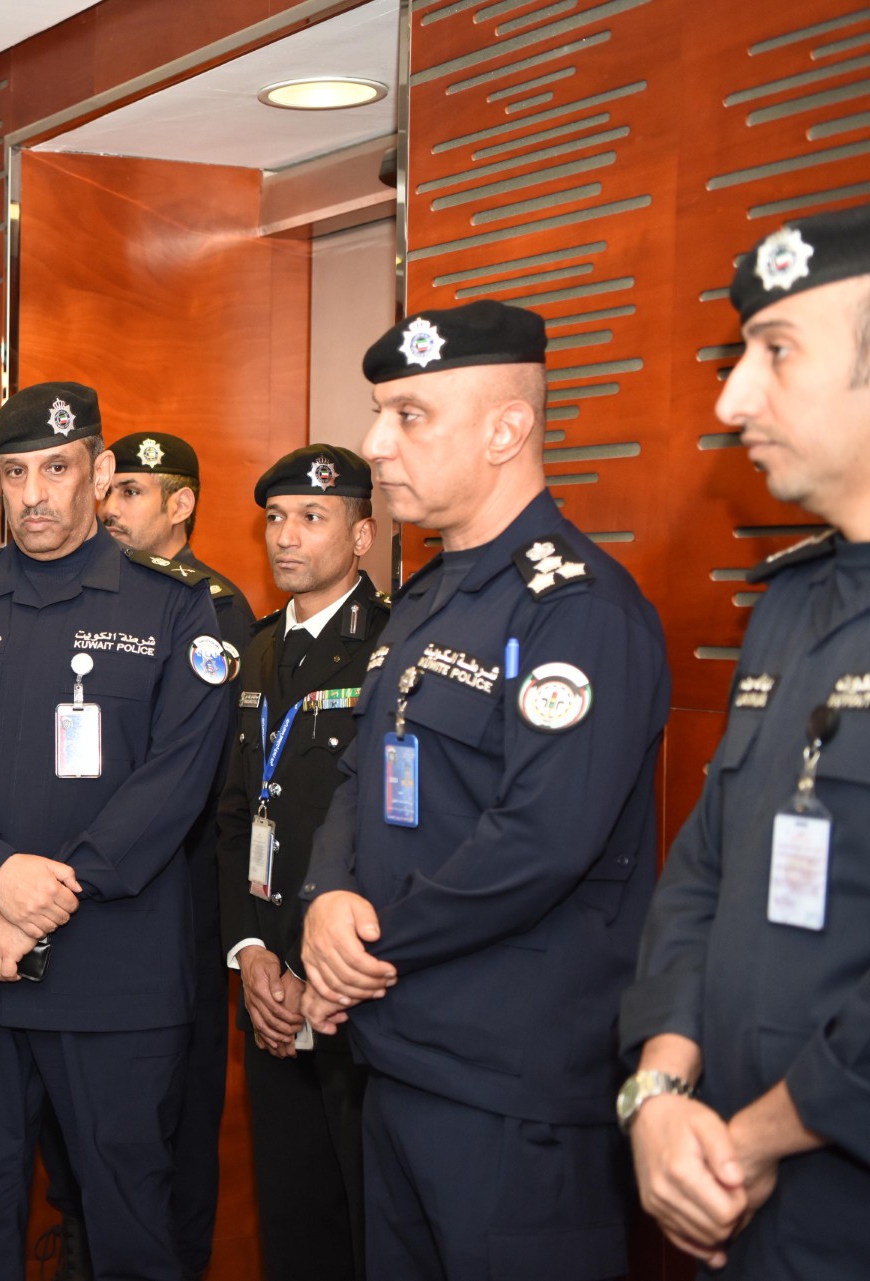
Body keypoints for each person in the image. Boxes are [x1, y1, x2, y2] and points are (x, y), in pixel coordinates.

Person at [296, 300, 669, 1280]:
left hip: (512, 1086)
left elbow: (541, 842)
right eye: (380, 412)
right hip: (398, 1052)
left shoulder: (579, 612)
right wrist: (329, 893)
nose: (376, 442)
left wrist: (362, 951)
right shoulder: (428, 596)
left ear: (508, 428)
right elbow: (362, 770)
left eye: (410, 415)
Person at [0, 381, 234, 1281]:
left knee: (128, 1221)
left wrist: (39, 901)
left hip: (111, 977)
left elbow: (174, 784)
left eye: (57, 468)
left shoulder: (175, 610)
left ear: (102, 473)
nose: (34, 493)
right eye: (14, 472)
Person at [619, 203, 870, 1277]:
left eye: (774, 353)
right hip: (736, 1189)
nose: (731, 399)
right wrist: (660, 1089)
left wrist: (752, 1137)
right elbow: (704, 870)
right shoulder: (792, 601)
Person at [33, 428, 248, 1281]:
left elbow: (189, 776)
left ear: (181, 504)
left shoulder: (206, 607)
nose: (109, 507)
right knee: (75, 1118)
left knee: (163, 1125)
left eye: (129, 494)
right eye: (108, 490)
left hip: (171, 901)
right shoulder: (91, 595)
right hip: (75, 893)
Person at [217, 444, 384, 1281]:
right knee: (290, 1211)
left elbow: (390, 829)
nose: (287, 536)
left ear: (361, 536)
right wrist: (250, 955)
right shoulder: (254, 650)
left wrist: (316, 967)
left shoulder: (390, 650)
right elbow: (235, 815)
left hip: (350, 983)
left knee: (367, 1215)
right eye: (275, 518)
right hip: (269, 983)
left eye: (312, 517)